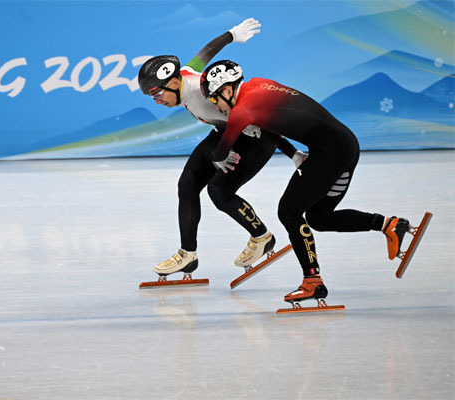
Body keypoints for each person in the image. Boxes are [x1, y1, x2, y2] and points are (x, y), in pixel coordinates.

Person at [199, 59, 411, 304]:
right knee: (319, 218)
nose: (217, 106)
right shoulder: (259, 85)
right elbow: (274, 123)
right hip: (345, 145)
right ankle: (389, 225)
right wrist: (293, 154)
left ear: (226, 89)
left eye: (215, 99)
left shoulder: (241, 111)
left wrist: (215, 129)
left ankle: (313, 283)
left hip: (330, 153)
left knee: (289, 211)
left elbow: (220, 152)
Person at [138, 19, 306, 279]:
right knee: (188, 184)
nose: (157, 102)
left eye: (157, 95)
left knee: (219, 192)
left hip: (258, 137)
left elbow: (262, 119)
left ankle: (263, 237)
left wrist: (292, 153)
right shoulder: (184, 76)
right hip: (226, 132)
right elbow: (205, 53)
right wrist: (231, 35)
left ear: (171, 84)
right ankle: (187, 255)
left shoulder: (205, 95)